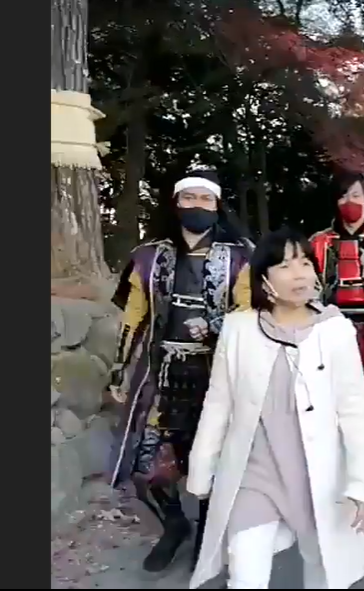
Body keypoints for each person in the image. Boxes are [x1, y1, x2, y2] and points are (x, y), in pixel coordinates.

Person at [186, 227, 364, 590]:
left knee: (325, 572)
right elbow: (219, 403)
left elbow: (354, 414)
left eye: (305, 263)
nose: (299, 274)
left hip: (318, 477)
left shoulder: (335, 330)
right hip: (255, 475)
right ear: (264, 279)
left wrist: (361, 487)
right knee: (245, 575)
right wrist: (202, 470)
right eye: (285, 266)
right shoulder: (239, 329)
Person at [108, 169, 253, 573]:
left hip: (217, 375)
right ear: (175, 204)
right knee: (145, 466)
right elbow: (134, 316)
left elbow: (250, 312)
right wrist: (119, 367)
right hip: (161, 372)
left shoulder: (241, 256)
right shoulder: (148, 256)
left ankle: (209, 532)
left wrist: (216, 325)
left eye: (205, 199)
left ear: (218, 205)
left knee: (213, 461)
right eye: (189, 198)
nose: (196, 206)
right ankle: (174, 525)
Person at [309, 172, 364, 419]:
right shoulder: (318, 241)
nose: (349, 202)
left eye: (356, 195)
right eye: (343, 196)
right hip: (330, 326)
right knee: (331, 392)